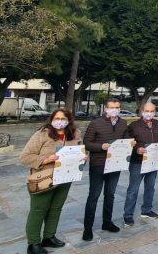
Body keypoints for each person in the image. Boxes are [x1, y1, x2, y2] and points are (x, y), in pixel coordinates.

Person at [19, 109, 82, 254]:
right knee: (38, 210)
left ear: (69, 120)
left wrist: (83, 157)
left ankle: (49, 236)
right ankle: (33, 243)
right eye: (57, 118)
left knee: (56, 208)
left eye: (63, 118)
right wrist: (46, 159)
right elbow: (24, 157)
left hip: (65, 177)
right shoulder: (42, 134)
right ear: (52, 119)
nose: (60, 121)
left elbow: (80, 151)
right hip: (44, 178)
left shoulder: (75, 134)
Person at [82, 98, 127, 241]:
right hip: (98, 164)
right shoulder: (95, 123)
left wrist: (130, 143)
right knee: (93, 196)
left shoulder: (123, 123)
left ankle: (107, 222)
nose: (115, 110)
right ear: (105, 108)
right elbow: (86, 143)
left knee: (110, 195)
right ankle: (87, 228)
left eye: (117, 107)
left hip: (115, 164)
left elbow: (125, 140)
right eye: (112, 107)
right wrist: (100, 147)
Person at [122, 103, 158, 227]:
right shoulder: (134, 126)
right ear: (142, 111)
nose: (149, 113)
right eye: (147, 110)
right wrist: (137, 149)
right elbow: (128, 142)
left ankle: (146, 210)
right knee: (133, 190)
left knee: (150, 187)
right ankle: (128, 216)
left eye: (152, 111)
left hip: (153, 161)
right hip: (137, 162)